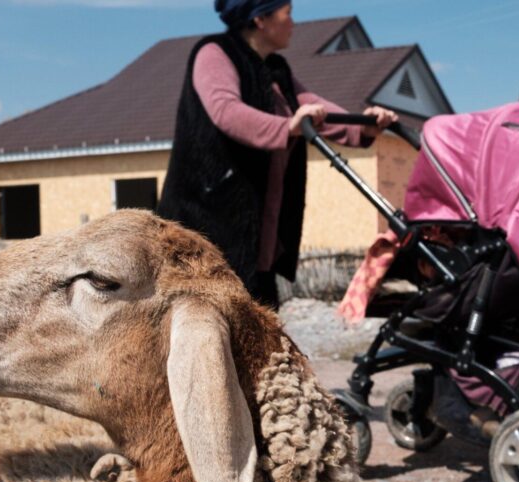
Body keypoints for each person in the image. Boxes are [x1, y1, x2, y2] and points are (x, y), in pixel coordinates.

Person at [158, 0, 398, 309]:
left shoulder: (275, 69)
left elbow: (314, 107)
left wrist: (365, 126)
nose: (293, 22)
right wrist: (286, 128)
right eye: (288, 13)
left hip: (259, 238)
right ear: (260, 19)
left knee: (259, 320)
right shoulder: (214, 53)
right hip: (209, 224)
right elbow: (226, 111)